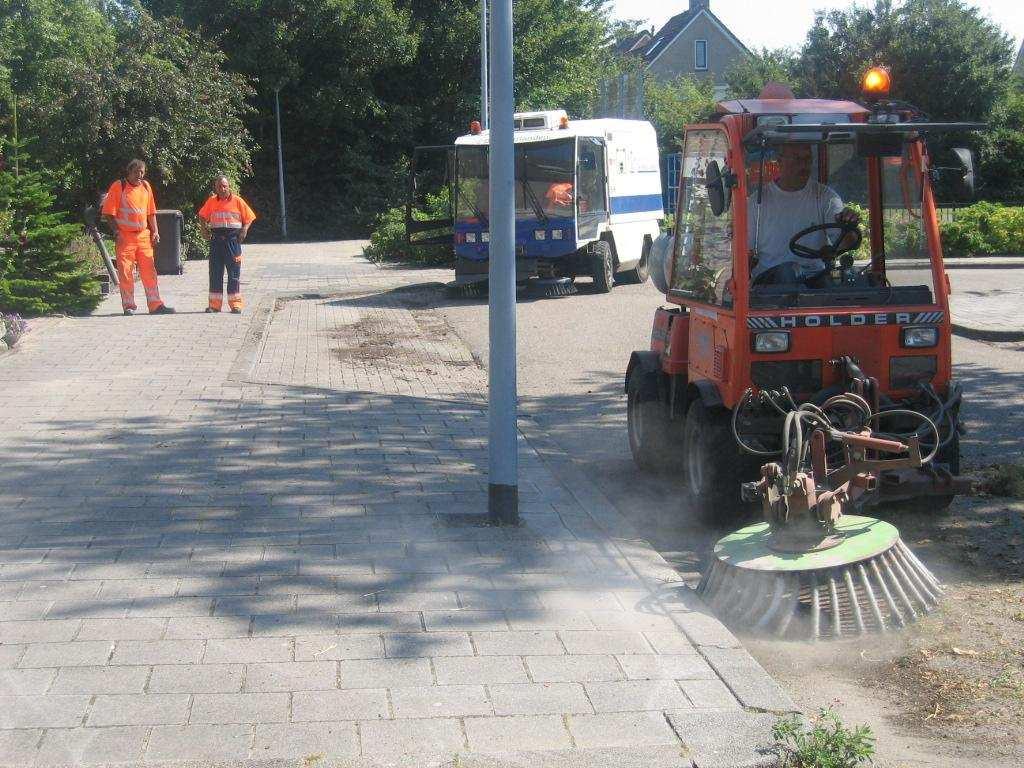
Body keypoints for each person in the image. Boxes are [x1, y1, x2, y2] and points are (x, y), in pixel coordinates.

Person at [747, 143, 860, 285]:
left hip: (815, 280)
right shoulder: (757, 202)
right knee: (788, 273)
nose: (804, 165)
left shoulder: (825, 197)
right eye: (796, 159)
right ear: (780, 162)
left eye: (807, 159)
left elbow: (844, 244)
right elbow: (746, 253)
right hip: (770, 285)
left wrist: (847, 226)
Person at [100, 159, 175, 315]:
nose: (139, 175)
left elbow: (151, 212)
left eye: (142, 172)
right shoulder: (118, 186)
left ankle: (155, 305)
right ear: (129, 171)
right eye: (136, 172)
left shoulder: (146, 187)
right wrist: (116, 232)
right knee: (126, 272)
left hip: (143, 236)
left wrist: (155, 231)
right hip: (125, 237)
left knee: (149, 271)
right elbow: (108, 213)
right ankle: (129, 306)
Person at [197, 175, 256, 313]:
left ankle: (235, 304)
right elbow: (201, 215)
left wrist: (245, 230)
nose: (222, 189)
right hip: (216, 241)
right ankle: (214, 305)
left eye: (224, 186)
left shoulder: (238, 201)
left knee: (234, 273)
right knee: (215, 273)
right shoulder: (211, 201)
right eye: (219, 186)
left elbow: (249, 217)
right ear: (215, 188)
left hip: (233, 241)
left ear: (229, 186)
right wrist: (203, 229)